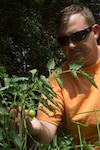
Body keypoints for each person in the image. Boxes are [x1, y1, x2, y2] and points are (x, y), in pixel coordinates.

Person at [8, 4, 100, 148]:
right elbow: (47, 130)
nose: (70, 45)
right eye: (64, 41)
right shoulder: (57, 79)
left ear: (95, 32)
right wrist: (35, 127)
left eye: (77, 36)